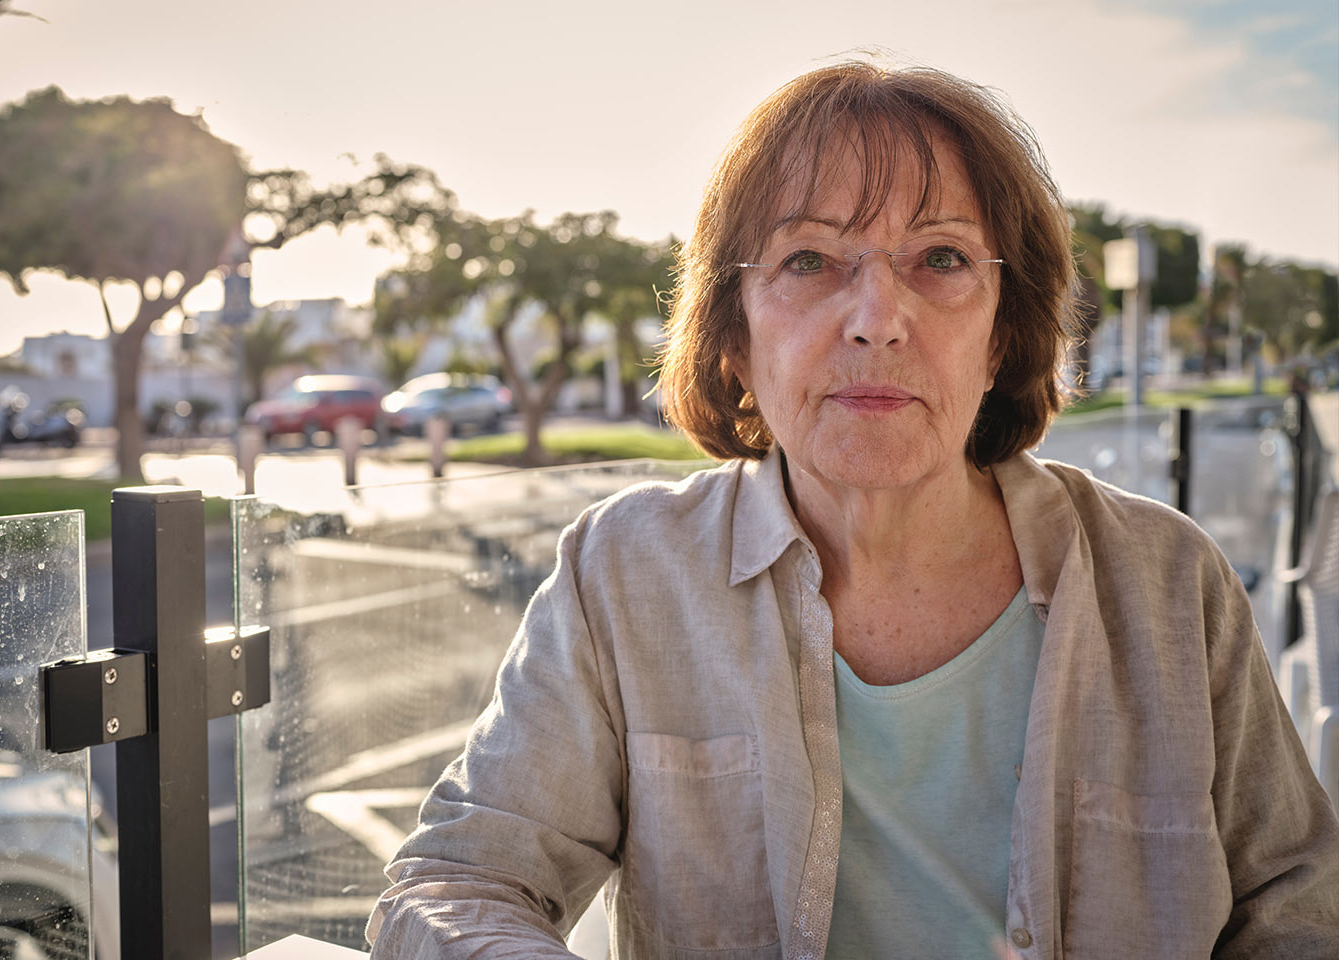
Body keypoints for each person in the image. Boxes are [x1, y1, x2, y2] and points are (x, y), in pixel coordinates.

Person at [367, 61, 1339, 959]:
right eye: (810, 261)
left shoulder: (1169, 586)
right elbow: (451, 886)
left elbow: (1300, 907)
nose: (877, 316)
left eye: (942, 258)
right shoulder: (625, 578)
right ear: (734, 337)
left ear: (1001, 337)